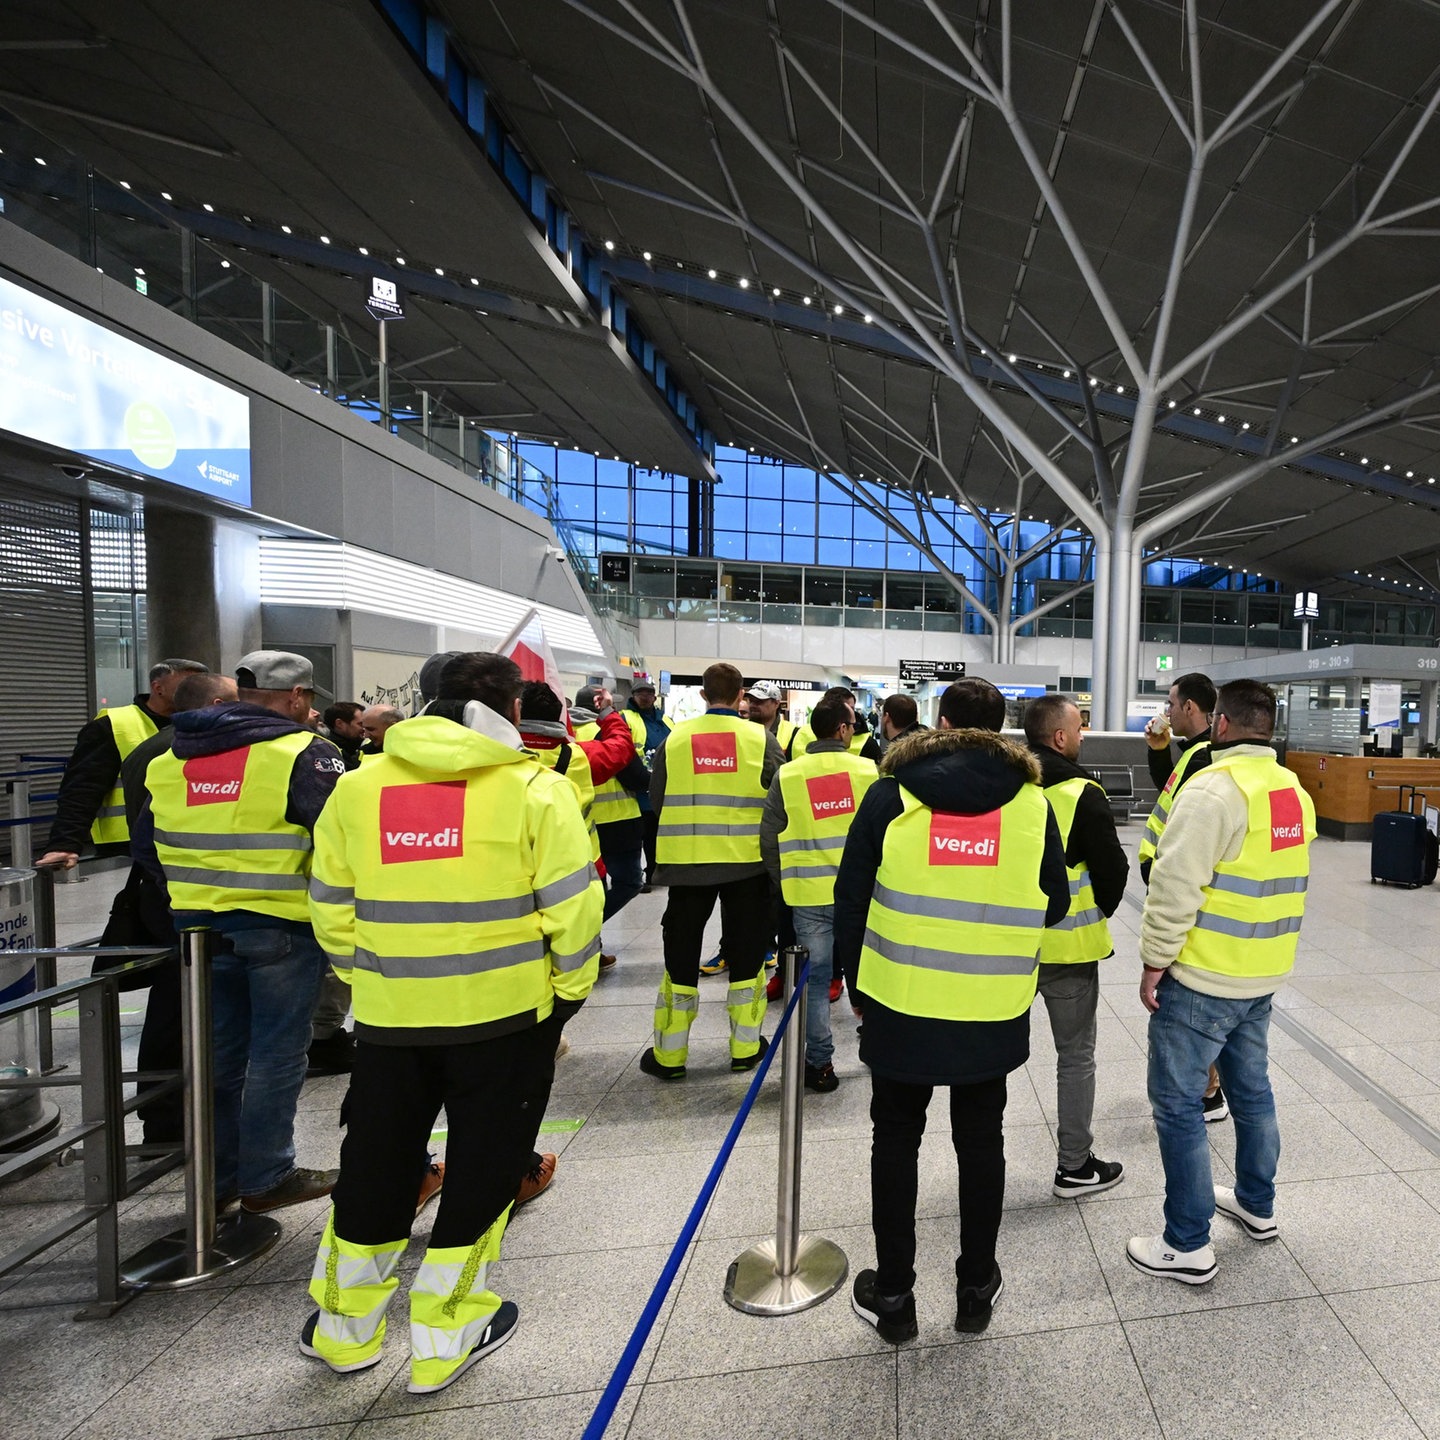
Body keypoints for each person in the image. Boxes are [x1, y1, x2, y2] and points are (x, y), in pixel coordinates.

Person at [302, 652, 602, 1393]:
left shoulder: (358, 788)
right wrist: (565, 994)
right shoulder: (538, 789)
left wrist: (373, 975)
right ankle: (447, 1331)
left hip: (391, 1017)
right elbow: (573, 913)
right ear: (512, 705)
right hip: (505, 1019)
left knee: (377, 1160)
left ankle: (344, 1330)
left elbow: (330, 907)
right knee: (484, 1165)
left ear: (424, 699)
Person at [835, 677, 1069, 1339]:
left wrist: (859, 985)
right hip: (990, 1005)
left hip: (900, 1002)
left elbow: (850, 896)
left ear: (938, 723)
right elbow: (1052, 901)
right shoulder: (1032, 804)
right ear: (1005, 730)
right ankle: (975, 1288)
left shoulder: (890, 794)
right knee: (980, 1141)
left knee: (895, 1140)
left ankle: (895, 1295)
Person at [133, 650, 345, 1213]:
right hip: (280, 924)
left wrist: (193, 893)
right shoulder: (301, 752)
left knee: (218, 1054)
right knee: (277, 1053)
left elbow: (145, 850)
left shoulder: (169, 757)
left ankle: (220, 1176)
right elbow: (339, 841)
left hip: (197, 927)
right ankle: (267, 1175)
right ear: (298, 697)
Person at [1127, 679, 1314, 1285]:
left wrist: (1155, 959)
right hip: (1261, 973)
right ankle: (1257, 1206)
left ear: (1222, 725)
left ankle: (1186, 1242)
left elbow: (1175, 887)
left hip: (1204, 975)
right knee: (1251, 1092)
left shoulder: (1213, 789)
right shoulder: (1292, 791)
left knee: (1179, 1104)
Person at [641, 662, 786, 1080]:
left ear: (703, 695)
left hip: (687, 865)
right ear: (741, 694)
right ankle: (744, 1048)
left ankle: (670, 1057)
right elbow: (779, 798)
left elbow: (657, 797)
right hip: (746, 866)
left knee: (681, 957)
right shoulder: (761, 738)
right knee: (746, 955)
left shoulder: (677, 737)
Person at [116, 671, 239, 1145]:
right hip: (185, 901)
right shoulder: (186, 752)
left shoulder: (152, 748)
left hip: (163, 892)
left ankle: (167, 1117)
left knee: (172, 1007)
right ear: (213, 703)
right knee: (183, 1009)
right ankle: (177, 1119)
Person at [1023, 693, 1130, 1196]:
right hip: (1069, 950)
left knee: (995, 1058)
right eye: (1079, 729)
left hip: (1007, 947)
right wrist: (1096, 912)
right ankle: (1075, 1165)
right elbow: (1113, 871)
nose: (1083, 736)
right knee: (1075, 1057)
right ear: (1060, 737)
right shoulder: (1081, 792)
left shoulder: (1007, 786)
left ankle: (984, 1160)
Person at [759, 696, 876, 1093]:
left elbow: (769, 839)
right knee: (872, 975)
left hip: (807, 896)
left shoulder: (789, 775)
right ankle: (877, 1049)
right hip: (861, 897)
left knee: (814, 981)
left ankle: (820, 1064)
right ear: (843, 730)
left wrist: (785, 881)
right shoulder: (867, 772)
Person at [1139, 670, 1228, 1122]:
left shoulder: (1204, 755)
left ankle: (1208, 1091)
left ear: (1190, 707)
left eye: (1172, 704)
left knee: (1192, 999)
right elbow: (1169, 795)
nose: (1168, 711)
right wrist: (1159, 750)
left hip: (1184, 885)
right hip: (1173, 876)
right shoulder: (1192, 751)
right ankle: (1209, 1087)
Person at [40, 658, 210, 869]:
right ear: (158, 688)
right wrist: (64, 843)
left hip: (187, 837)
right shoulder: (114, 725)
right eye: (187, 685)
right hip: (126, 845)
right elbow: (82, 788)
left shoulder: (203, 725)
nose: (197, 692)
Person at [573, 685, 652, 943]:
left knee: (588, 889)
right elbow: (638, 778)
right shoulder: (605, 733)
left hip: (581, 824)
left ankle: (591, 946)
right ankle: (584, 933)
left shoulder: (568, 733)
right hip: (618, 824)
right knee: (629, 883)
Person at [623, 680, 673, 889]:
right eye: (640, 693)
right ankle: (639, 876)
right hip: (636, 788)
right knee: (639, 837)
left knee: (656, 836)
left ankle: (655, 871)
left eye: (648, 693)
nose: (644, 696)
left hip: (662, 787)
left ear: (655, 696)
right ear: (633, 696)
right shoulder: (625, 718)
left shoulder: (667, 721)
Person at [792, 686, 883, 761]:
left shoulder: (866, 741)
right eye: (845, 708)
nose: (849, 713)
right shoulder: (801, 734)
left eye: (851, 709)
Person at [745, 681, 799, 758]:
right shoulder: (740, 728)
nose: (753, 705)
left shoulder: (793, 732)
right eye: (751, 701)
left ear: (776, 703)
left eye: (759, 701)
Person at [323, 703, 366, 770]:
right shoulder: (329, 753)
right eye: (360, 724)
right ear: (339, 724)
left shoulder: (353, 747)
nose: (364, 728)